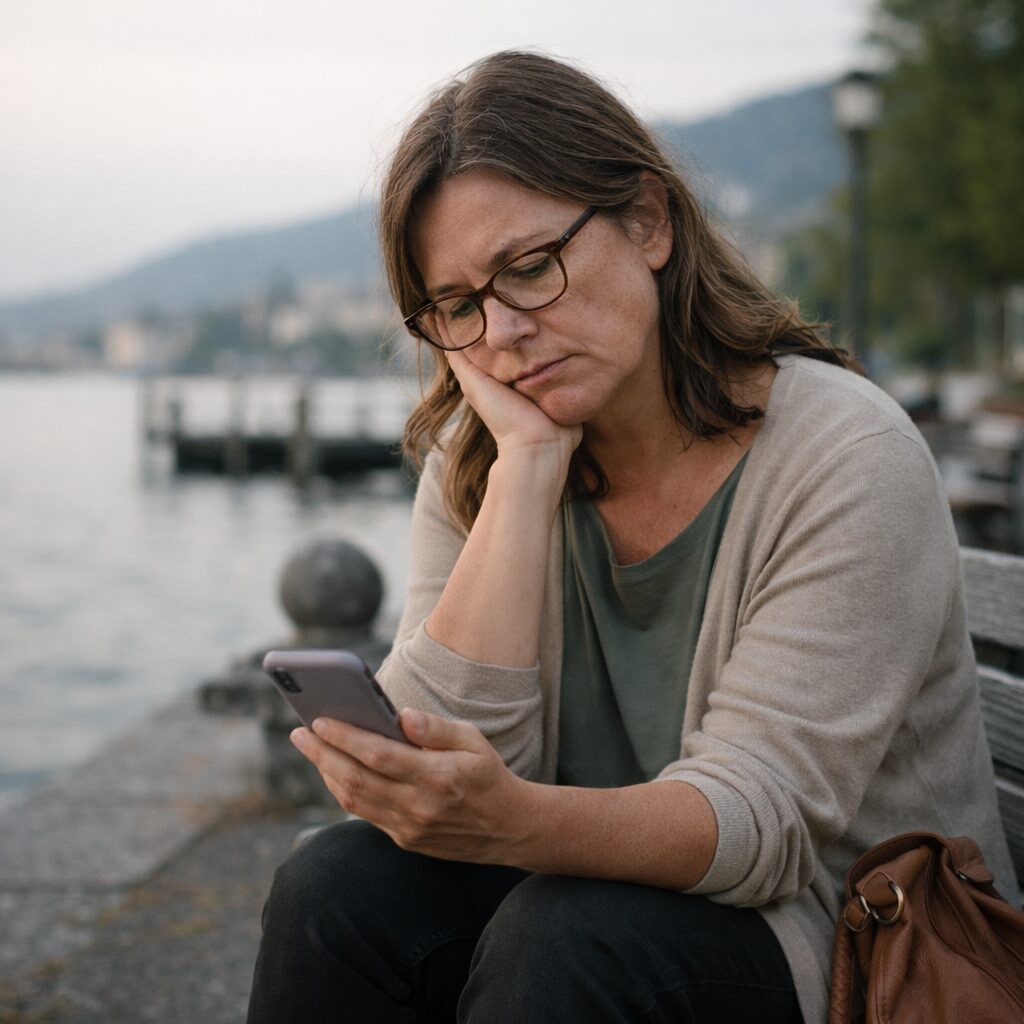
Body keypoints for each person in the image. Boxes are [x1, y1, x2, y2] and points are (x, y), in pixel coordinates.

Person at [246, 51, 1016, 1024]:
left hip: (852, 949)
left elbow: (761, 825)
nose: (503, 332)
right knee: (336, 888)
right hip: (588, 915)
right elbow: (450, 763)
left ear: (648, 222)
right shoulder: (486, 462)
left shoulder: (845, 454)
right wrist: (526, 471)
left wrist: (508, 818)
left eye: (529, 268)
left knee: (566, 939)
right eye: (458, 305)